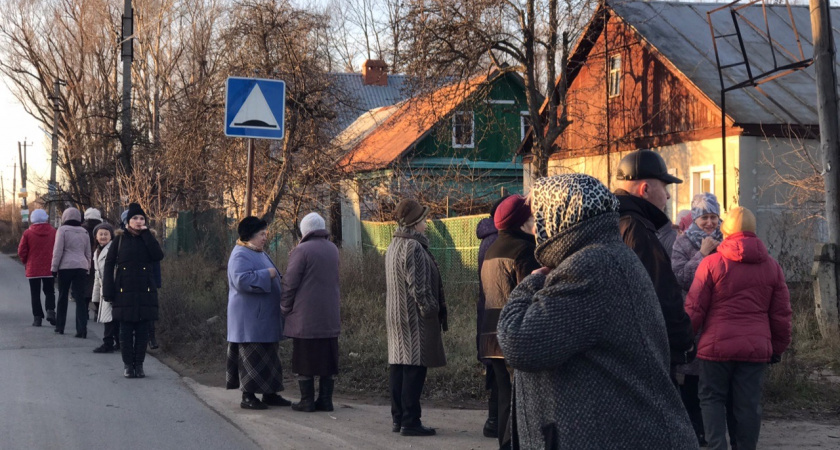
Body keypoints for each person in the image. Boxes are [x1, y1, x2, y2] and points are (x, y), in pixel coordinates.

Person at [497, 174, 698, 449]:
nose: (534, 229)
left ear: (560, 214)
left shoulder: (590, 266)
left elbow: (519, 343)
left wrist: (530, 283)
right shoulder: (604, 254)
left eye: (539, 215)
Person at [686, 207, 792, 450]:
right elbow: (781, 315)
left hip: (715, 348)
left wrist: (684, 340)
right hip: (755, 349)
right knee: (748, 404)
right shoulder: (772, 267)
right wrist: (777, 348)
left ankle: (716, 446)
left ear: (725, 230)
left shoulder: (711, 263)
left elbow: (695, 308)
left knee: (711, 399)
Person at [613, 149, 695, 366]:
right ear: (645, 189)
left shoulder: (611, 220)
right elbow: (661, 292)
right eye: (665, 186)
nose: (668, 195)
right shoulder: (636, 228)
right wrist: (684, 340)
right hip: (646, 352)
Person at [671, 193, 732, 447]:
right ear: (695, 218)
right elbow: (680, 278)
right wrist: (702, 255)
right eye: (704, 217)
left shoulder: (727, 242)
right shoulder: (682, 244)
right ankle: (694, 431)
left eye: (713, 217)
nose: (709, 223)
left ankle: (712, 432)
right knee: (692, 381)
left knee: (715, 380)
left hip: (719, 320)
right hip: (693, 319)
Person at [479, 194, 539, 450]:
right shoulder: (524, 250)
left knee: (505, 398)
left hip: (490, 335)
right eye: (531, 216)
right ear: (522, 222)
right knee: (522, 401)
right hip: (513, 334)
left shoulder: (492, 248)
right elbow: (530, 294)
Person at [385, 199, 446, 437]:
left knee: (399, 367)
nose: (426, 222)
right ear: (415, 222)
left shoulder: (394, 244)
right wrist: (431, 311)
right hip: (413, 318)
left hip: (396, 315)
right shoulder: (413, 247)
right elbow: (418, 288)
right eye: (423, 218)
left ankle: (398, 419)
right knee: (413, 368)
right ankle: (410, 421)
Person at [225, 216, 290, 409]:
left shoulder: (257, 252)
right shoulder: (240, 254)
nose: (265, 238)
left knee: (270, 356)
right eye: (262, 234)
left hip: (263, 318)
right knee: (252, 358)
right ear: (250, 235)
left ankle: (270, 394)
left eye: (265, 234)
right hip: (250, 320)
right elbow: (241, 280)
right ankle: (248, 396)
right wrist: (268, 274)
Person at [281, 213, 341, 413]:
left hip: (306, 316)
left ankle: (306, 401)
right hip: (329, 315)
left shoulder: (301, 250)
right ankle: (326, 400)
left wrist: (284, 307)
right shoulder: (333, 249)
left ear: (304, 230)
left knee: (304, 358)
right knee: (327, 358)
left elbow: (290, 282)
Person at [103, 203, 164, 379]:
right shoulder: (119, 240)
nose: (138, 221)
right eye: (135, 218)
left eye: (141, 218)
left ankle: (140, 365)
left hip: (145, 291)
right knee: (125, 332)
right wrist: (108, 290)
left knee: (143, 331)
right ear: (128, 222)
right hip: (123, 291)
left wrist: (146, 235)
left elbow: (157, 256)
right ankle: (128, 366)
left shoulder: (149, 238)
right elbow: (108, 265)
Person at [475, 195, 508, 439]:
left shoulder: (487, 240)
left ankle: (493, 420)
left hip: (487, 310)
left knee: (495, 371)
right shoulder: (499, 241)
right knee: (500, 374)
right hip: (498, 311)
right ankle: (496, 421)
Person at [51, 207, 92, 336]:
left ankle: (60, 326)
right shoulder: (84, 232)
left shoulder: (62, 230)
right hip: (81, 267)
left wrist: (54, 268)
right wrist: (88, 267)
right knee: (80, 298)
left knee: (63, 296)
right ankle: (81, 330)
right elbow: (88, 252)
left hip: (65, 267)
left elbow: (58, 251)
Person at [18, 209, 57, 327]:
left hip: (33, 268)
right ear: (45, 218)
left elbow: (21, 250)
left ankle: (37, 317)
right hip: (49, 267)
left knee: (34, 293)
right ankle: (50, 310)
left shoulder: (27, 233)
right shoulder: (53, 232)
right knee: (50, 291)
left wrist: (25, 261)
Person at [91, 223, 120, 353]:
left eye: (106, 234)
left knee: (110, 317)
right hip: (103, 287)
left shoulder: (112, 249)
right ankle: (118, 342)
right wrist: (95, 295)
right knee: (112, 317)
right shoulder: (96, 251)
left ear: (111, 236)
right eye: (100, 234)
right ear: (96, 237)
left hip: (112, 287)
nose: (103, 236)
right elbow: (97, 275)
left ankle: (108, 343)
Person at [82, 208, 103, 320]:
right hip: (99, 259)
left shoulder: (82, 229)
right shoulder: (103, 229)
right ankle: (98, 311)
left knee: (86, 286)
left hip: (85, 260)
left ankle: (84, 310)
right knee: (98, 286)